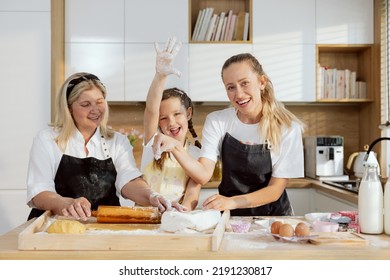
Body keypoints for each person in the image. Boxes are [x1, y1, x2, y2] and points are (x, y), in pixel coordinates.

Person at [153, 53, 305, 216]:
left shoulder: (288, 128)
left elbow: (275, 190)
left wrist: (232, 202)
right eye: (231, 87)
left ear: (261, 82)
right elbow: (203, 175)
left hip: (273, 217)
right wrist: (176, 146)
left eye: (244, 83)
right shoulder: (218, 121)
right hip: (230, 218)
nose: (238, 94)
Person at [26, 72, 181, 221]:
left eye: (100, 102)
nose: (95, 110)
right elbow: (39, 192)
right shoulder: (48, 140)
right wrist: (66, 204)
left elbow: (129, 180)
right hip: (53, 227)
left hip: (101, 227)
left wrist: (151, 196)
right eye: (85, 104)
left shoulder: (117, 141)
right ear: (69, 108)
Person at [141, 37, 202, 211]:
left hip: (175, 217)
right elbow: (151, 109)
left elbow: (192, 194)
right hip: (144, 217)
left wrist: (183, 213)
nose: (171, 122)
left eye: (177, 114)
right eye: (163, 118)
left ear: (188, 113)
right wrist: (160, 76)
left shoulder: (197, 154)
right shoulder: (154, 141)